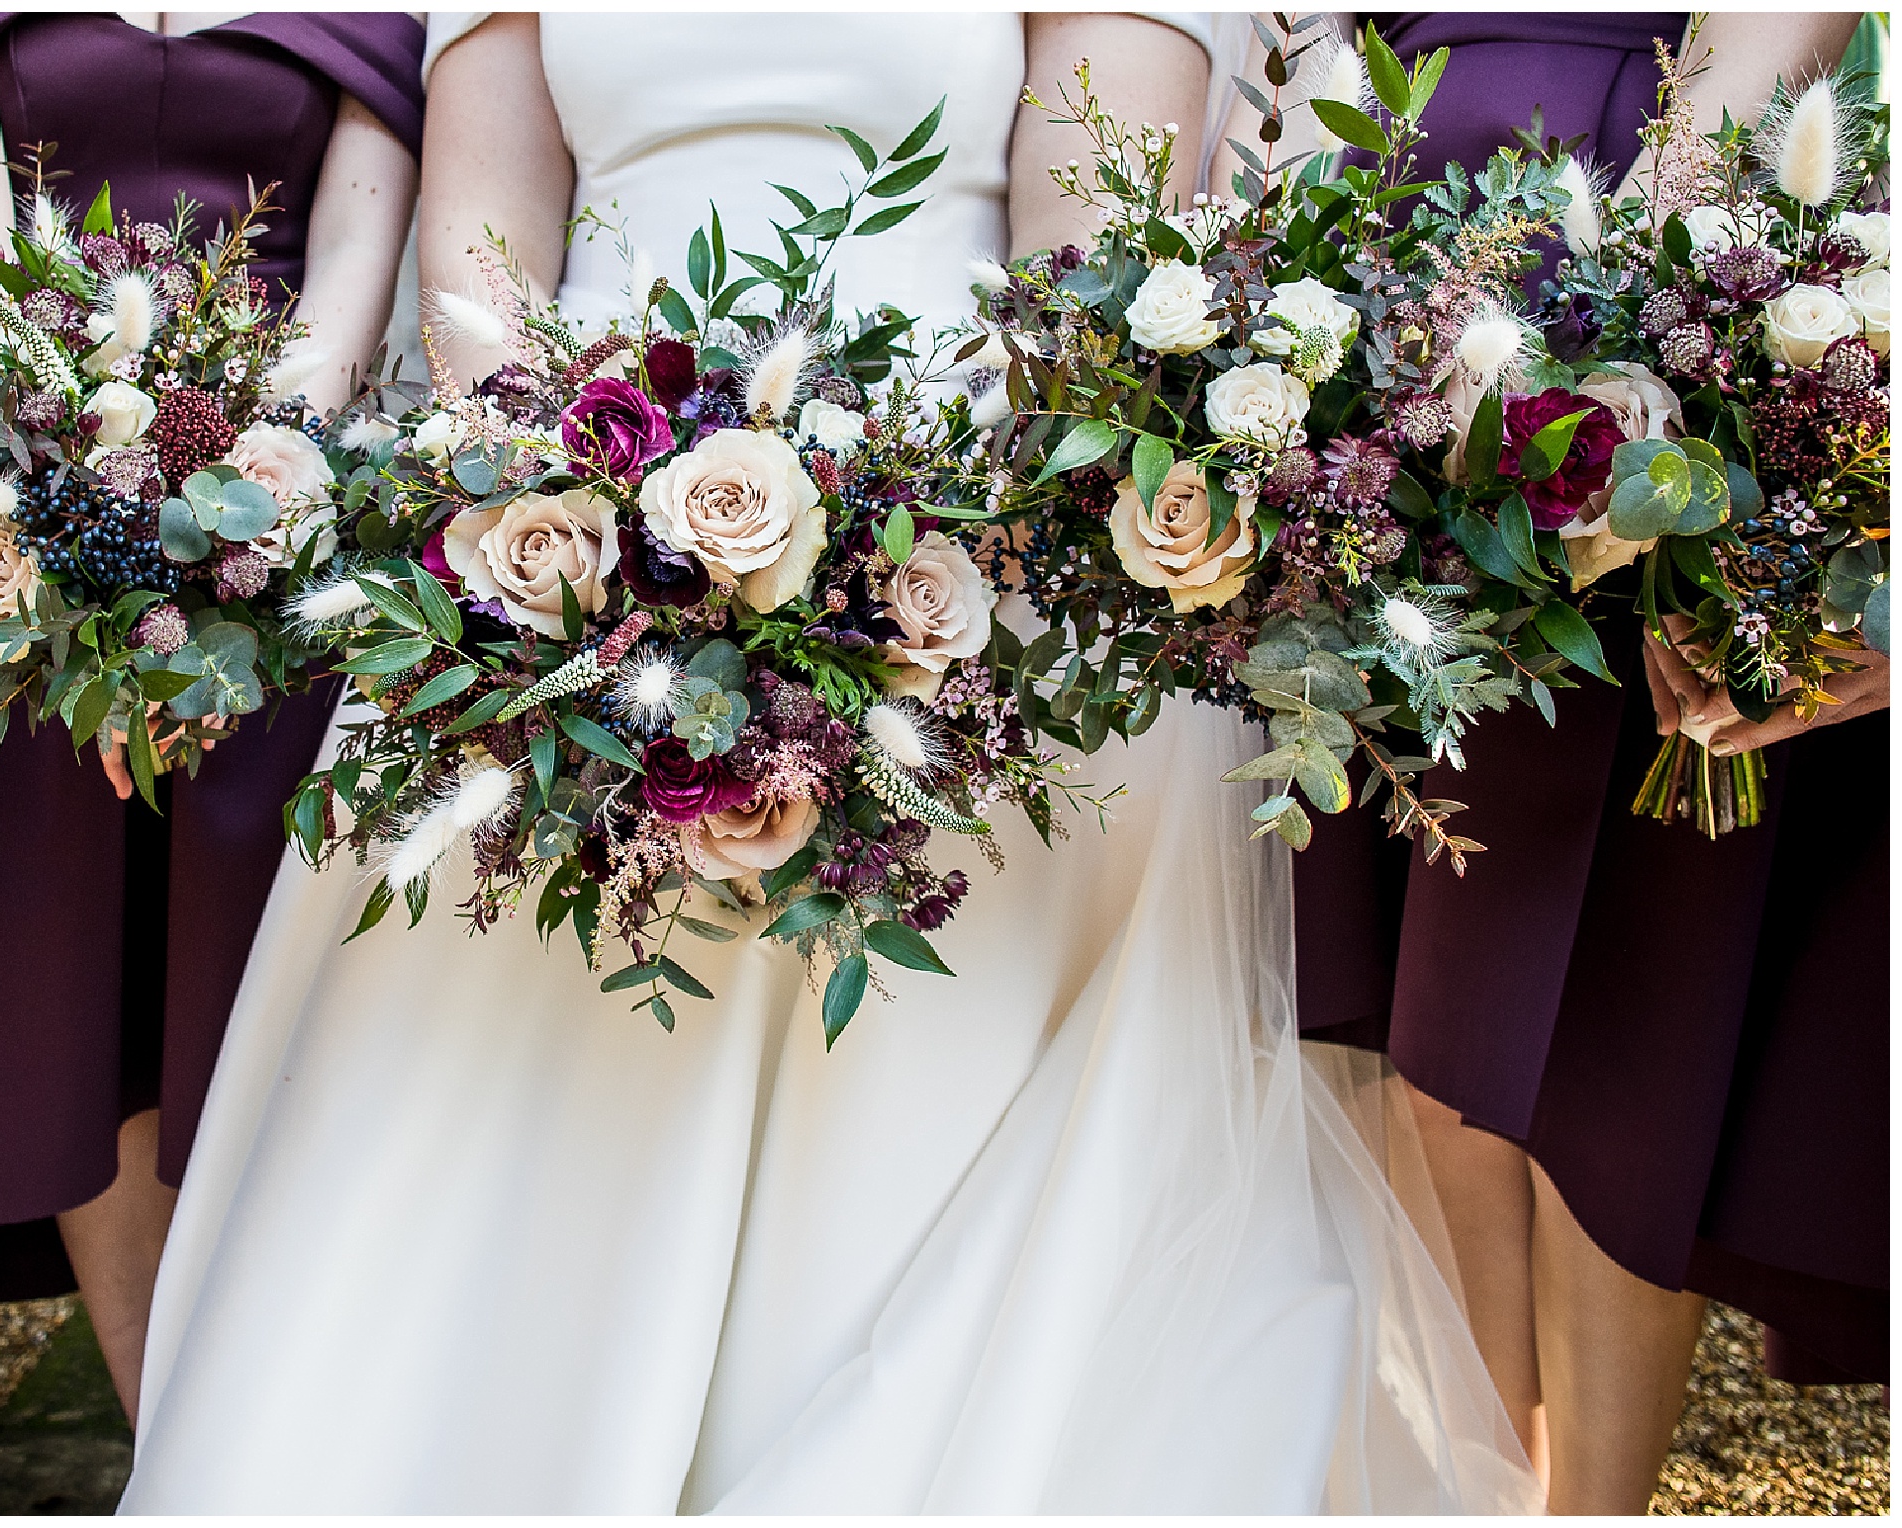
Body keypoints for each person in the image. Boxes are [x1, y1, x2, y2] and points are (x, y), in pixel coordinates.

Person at [118, 14, 1538, 1512]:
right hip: (570, 530)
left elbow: (1088, 246)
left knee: (910, 1119)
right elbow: (484, 256)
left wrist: (882, 574)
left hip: (963, 547)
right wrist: (561, 550)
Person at [1217, 11, 1880, 1514]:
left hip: (1640, 278)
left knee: (1629, 1025)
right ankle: (1477, 1487)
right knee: (1429, 1014)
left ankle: (1589, 1503)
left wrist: (1634, 343)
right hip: (1389, 334)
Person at [0, 9, 424, 1425]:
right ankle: (168, 1442)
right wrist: (77, 513)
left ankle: (290, 1437)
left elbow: (349, 261)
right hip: (22, 530)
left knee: (261, 1007)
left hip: (292, 543)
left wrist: (249, 518)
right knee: (71, 1017)